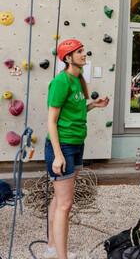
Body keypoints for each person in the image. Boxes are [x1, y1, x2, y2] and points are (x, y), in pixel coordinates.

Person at [44, 39, 109, 259]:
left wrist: (94, 105)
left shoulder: (78, 79)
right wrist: (58, 155)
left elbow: (74, 112)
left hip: (76, 144)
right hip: (62, 146)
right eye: (79, 52)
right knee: (65, 203)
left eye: (83, 51)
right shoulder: (61, 82)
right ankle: (61, 256)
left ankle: (52, 246)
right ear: (67, 57)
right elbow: (51, 121)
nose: (84, 54)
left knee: (59, 199)